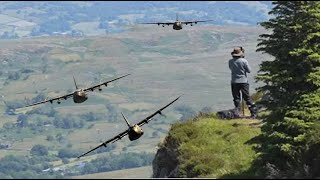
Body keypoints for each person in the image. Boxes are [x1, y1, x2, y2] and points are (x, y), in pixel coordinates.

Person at [228, 47, 257, 118]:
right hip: (243, 81)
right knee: (247, 98)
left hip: (234, 81)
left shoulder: (230, 61)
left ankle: (237, 113)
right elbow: (249, 70)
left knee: (236, 98)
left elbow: (231, 68)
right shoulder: (244, 61)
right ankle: (253, 113)